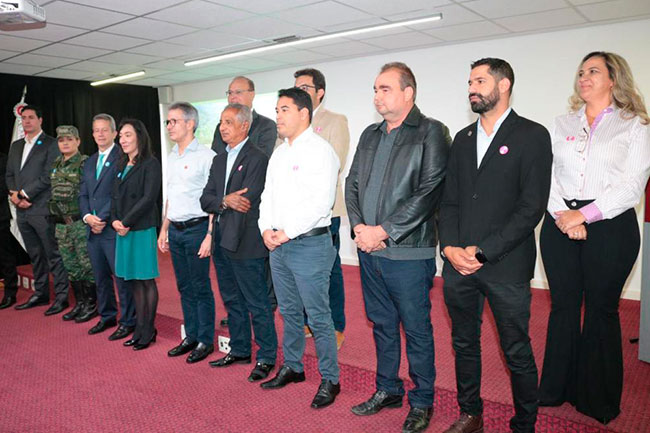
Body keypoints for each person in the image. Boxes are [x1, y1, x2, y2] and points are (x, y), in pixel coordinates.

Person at [438, 58, 552, 433]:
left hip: (505, 265)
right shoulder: (463, 138)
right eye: (470, 81)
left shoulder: (532, 135)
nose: (472, 87)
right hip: (458, 266)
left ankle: (525, 424)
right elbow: (450, 200)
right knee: (464, 343)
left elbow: (530, 207)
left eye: (480, 80)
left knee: (516, 349)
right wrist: (450, 248)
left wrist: (484, 252)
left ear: (504, 85)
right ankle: (470, 413)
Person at [539, 51, 650, 424]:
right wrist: (563, 216)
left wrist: (583, 215)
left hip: (611, 225)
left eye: (593, 71)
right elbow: (547, 176)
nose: (583, 77)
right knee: (563, 307)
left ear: (613, 79)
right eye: (581, 71)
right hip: (558, 222)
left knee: (602, 311)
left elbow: (631, 186)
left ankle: (597, 399)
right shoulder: (560, 123)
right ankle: (555, 389)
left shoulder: (634, 125)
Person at [346, 62, 450, 433]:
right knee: (382, 324)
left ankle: (422, 401)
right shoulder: (370, 134)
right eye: (375, 89)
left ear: (409, 93)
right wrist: (359, 227)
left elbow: (429, 192)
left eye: (385, 89)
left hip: (407, 252)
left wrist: (384, 231)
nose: (377, 96)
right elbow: (352, 183)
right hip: (369, 250)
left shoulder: (432, 132)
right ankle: (387, 388)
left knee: (417, 329)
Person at [258, 87, 340, 409]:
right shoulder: (279, 152)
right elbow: (267, 196)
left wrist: (286, 232)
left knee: (318, 316)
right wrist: (265, 228)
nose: (277, 116)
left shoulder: (321, 151)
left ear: (304, 113)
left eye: (284, 110)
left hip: (309, 245)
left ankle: (330, 379)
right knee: (289, 312)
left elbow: (320, 202)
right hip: (278, 245)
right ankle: (293, 366)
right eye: (276, 110)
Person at [201, 103, 278, 381]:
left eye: (229, 122)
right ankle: (240, 348)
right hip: (222, 238)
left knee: (257, 302)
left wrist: (225, 201)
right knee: (232, 299)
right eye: (221, 122)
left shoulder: (257, 157)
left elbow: (248, 198)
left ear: (245, 126)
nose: (222, 127)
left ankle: (267, 356)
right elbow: (206, 199)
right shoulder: (219, 159)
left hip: (247, 241)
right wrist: (224, 200)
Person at [294, 68, 350, 349]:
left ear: (320, 93)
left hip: (326, 212)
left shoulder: (335, 121)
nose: (299, 92)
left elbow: (334, 163)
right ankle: (307, 320)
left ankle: (336, 325)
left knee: (330, 270)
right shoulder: (291, 123)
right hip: (295, 215)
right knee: (302, 271)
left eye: (305, 88)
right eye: (296, 88)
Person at [159, 102, 216, 364]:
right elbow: (171, 196)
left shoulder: (206, 156)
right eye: (168, 122)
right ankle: (191, 335)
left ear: (190, 123)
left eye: (174, 121)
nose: (169, 126)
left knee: (200, 286)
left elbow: (213, 199)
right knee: (184, 287)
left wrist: (210, 235)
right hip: (177, 231)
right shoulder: (172, 156)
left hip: (197, 229)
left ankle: (205, 340)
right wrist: (164, 230)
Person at [6, 105, 70, 315]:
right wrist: (16, 196)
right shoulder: (16, 146)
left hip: (42, 208)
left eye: (31, 117)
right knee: (35, 254)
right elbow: (9, 175)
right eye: (23, 118)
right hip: (22, 210)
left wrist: (25, 194)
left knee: (53, 254)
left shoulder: (51, 144)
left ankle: (61, 297)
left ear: (40, 120)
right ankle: (41, 294)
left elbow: (48, 176)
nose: (27, 121)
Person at [80, 114, 136, 340]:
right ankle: (107, 316)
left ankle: (128, 321)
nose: (100, 134)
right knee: (100, 277)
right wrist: (86, 217)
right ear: (92, 134)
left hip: (112, 228)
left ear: (114, 133)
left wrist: (100, 219)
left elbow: (118, 195)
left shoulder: (123, 158)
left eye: (105, 130)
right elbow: (83, 193)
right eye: (96, 130)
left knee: (121, 277)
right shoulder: (90, 161)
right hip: (92, 229)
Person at [111, 119, 161, 351]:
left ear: (139, 136)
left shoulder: (150, 164)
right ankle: (139, 328)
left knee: (145, 280)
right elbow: (113, 196)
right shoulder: (121, 163)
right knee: (132, 280)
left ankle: (148, 330)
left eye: (128, 135)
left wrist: (127, 222)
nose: (123, 140)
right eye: (121, 135)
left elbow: (148, 198)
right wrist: (114, 220)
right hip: (123, 229)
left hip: (140, 229)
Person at [49, 125, 97, 324]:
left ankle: (92, 305)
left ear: (78, 141)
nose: (65, 143)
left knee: (87, 266)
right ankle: (79, 303)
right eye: (61, 140)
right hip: (61, 225)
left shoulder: (85, 163)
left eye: (69, 139)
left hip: (79, 223)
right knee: (71, 266)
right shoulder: (56, 163)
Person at [212, 76, 277, 157]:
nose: (233, 97)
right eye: (230, 93)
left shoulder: (266, 125)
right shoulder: (221, 127)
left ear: (252, 94)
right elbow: (215, 157)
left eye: (238, 92)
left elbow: (262, 159)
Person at [0, 151, 18, 310]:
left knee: (5, 257)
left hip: (0, 217)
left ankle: (10, 293)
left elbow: (4, 185)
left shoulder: (3, 159)